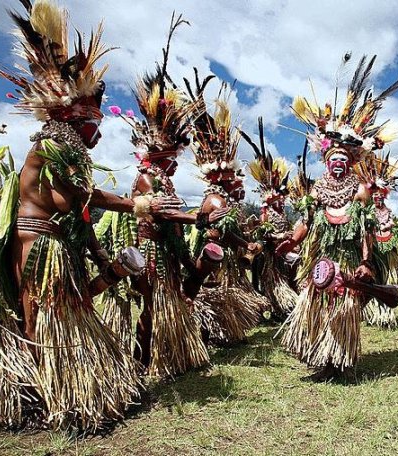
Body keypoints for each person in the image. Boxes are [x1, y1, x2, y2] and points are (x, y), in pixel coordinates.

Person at [0, 0, 173, 430]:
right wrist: (136, 204)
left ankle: (74, 391)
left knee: (70, 305)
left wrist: (103, 259)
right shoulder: (53, 147)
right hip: (37, 242)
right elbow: (79, 198)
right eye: (94, 125)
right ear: (76, 121)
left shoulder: (66, 151)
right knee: (42, 315)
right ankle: (42, 396)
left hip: (55, 240)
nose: (98, 135)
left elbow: (78, 212)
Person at [277, 54, 398, 380]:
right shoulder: (317, 190)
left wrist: (366, 262)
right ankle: (323, 358)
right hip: (322, 259)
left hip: (350, 259)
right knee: (318, 304)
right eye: (333, 159)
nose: (338, 163)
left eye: (343, 159)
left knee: (346, 306)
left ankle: (342, 362)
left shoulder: (360, 191)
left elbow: (366, 230)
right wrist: (291, 242)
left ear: (350, 162)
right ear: (326, 161)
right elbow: (306, 221)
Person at [114, 14, 210, 377]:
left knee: (169, 303)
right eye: (171, 159)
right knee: (151, 306)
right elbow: (160, 213)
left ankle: (168, 357)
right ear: (159, 156)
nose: (174, 165)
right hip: (150, 251)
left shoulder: (165, 181)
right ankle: (141, 362)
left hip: (167, 250)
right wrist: (195, 218)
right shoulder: (145, 179)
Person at [185, 77, 268, 346]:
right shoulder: (217, 200)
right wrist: (246, 244)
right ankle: (210, 334)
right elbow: (226, 233)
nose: (238, 181)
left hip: (222, 256)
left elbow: (231, 230)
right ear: (222, 177)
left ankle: (224, 332)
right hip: (213, 255)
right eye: (234, 178)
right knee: (213, 292)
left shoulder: (223, 199)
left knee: (224, 292)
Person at [241, 118, 298, 319]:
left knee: (283, 277)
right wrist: (280, 236)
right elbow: (263, 234)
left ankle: (279, 309)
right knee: (271, 282)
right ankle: (274, 308)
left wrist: (289, 237)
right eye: (279, 200)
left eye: (283, 199)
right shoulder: (266, 212)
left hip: (281, 255)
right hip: (268, 255)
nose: (282, 202)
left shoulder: (282, 213)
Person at [356, 152, 398, 329]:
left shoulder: (389, 213)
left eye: (380, 195)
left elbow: (395, 230)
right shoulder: (367, 212)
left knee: (386, 278)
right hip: (373, 251)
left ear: (384, 195)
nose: (377, 197)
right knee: (373, 279)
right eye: (375, 195)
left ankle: (385, 313)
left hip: (387, 253)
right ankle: (371, 312)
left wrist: (389, 228)